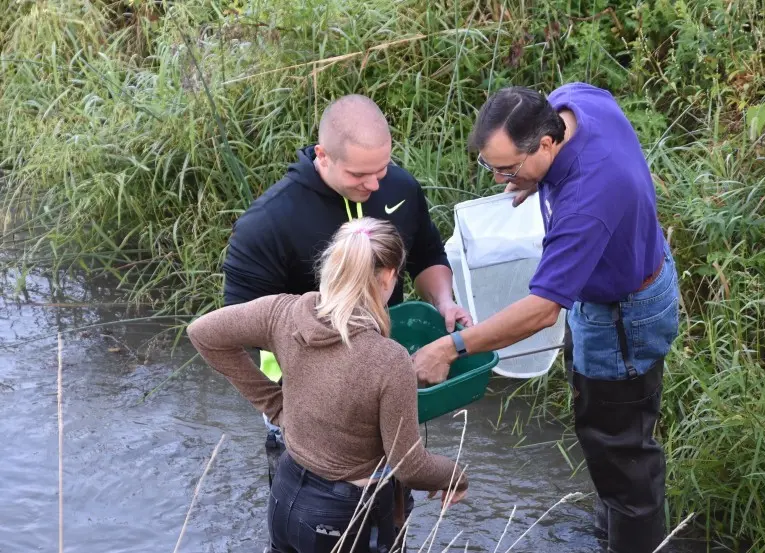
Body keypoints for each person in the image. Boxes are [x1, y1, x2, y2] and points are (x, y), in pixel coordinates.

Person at [412, 83, 680, 553]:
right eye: (491, 167)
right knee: (601, 425)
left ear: (547, 144)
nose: (500, 180)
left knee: (624, 454)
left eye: (508, 169)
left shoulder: (587, 203)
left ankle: (630, 535)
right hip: (611, 283)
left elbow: (541, 311)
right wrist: (533, 178)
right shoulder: (574, 103)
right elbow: (584, 111)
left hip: (623, 317)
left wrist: (450, 346)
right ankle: (608, 523)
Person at [220, 95, 472, 490]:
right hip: (303, 401)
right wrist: (275, 403)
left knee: (389, 507)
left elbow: (428, 255)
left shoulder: (400, 187)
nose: (374, 185)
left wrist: (444, 301)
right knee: (309, 518)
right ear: (323, 155)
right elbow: (231, 326)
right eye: (359, 175)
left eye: (382, 169)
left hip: (384, 380)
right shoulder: (267, 223)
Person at [189, 217, 468, 553]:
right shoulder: (389, 359)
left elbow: (203, 332)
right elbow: (409, 466)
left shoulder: (284, 311)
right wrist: (455, 475)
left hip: (285, 493)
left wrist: (276, 406)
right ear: (388, 277)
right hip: (346, 516)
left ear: (332, 266)